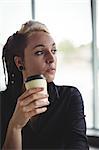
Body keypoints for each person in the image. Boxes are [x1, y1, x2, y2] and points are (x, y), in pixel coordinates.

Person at [1, 20, 89, 150]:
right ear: (20, 62)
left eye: (53, 50)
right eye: (40, 52)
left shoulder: (70, 97)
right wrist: (15, 126)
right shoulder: (2, 102)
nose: (51, 58)